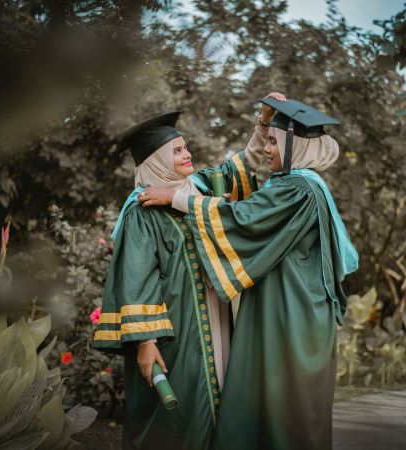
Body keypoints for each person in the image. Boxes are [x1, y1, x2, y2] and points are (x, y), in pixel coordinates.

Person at [138, 98, 359, 450]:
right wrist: (262, 125)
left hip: (292, 319)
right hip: (288, 313)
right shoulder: (297, 184)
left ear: (294, 148)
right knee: (273, 414)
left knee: (287, 416)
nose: (268, 150)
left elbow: (243, 219)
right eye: (268, 141)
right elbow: (247, 205)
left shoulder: (299, 189)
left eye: (275, 142)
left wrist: (175, 198)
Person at [92, 93, 285, 450]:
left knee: (218, 397)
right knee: (176, 413)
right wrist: (146, 345)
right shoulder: (142, 210)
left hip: (215, 319)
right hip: (176, 329)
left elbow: (243, 165)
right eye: (177, 151)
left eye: (185, 147)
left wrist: (263, 121)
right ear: (157, 161)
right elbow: (138, 277)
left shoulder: (200, 187)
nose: (187, 155)